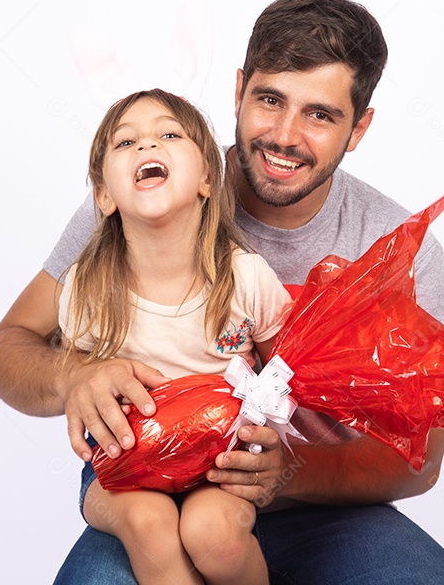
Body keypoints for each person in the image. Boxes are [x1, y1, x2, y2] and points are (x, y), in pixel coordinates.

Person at [0, 0, 444, 584]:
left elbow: (416, 464)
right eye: (269, 100)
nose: (285, 136)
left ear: (359, 126)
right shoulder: (146, 189)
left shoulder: (396, 247)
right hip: (156, 498)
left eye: (320, 114)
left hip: (324, 511)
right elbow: (6, 351)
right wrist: (72, 375)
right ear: (238, 91)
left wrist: (288, 473)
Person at [59, 87, 291, 585]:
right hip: (124, 468)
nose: (146, 147)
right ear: (103, 194)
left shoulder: (246, 279)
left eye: (168, 134)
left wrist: (270, 443)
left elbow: (285, 376)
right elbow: (77, 382)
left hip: (220, 466)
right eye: (125, 143)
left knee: (213, 533)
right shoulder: (85, 287)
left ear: (207, 178)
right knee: (150, 524)